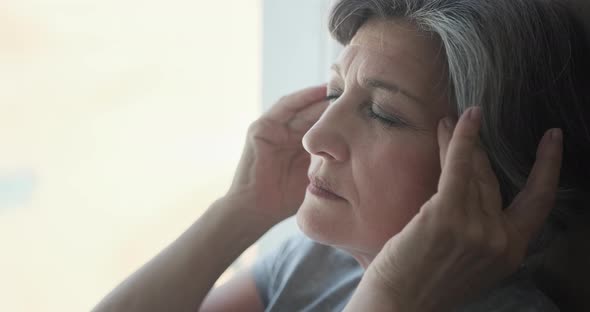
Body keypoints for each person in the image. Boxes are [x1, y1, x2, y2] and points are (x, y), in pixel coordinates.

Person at [92, 0, 590, 311]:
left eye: (383, 113)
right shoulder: (319, 264)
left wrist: (392, 296)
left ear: (492, 170)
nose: (314, 138)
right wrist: (241, 211)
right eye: (335, 93)